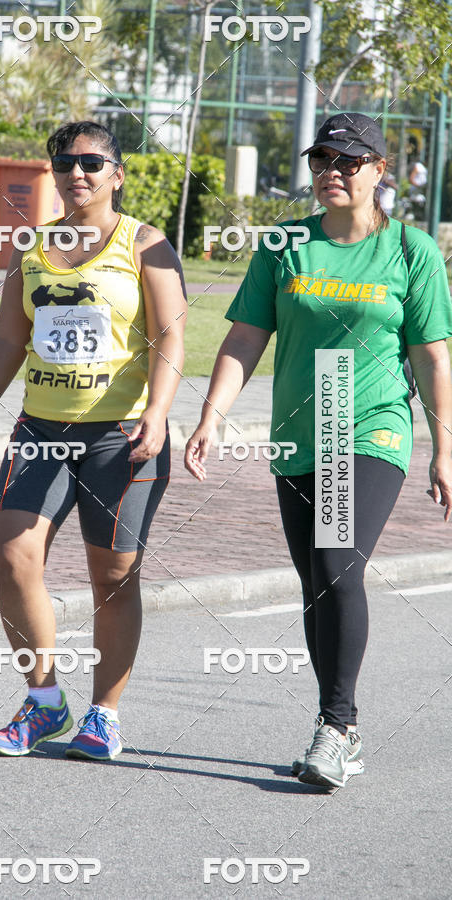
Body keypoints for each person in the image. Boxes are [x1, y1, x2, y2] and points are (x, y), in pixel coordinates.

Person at [185, 113, 452, 789]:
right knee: (316, 584)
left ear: (380, 170)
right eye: (322, 159)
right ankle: (342, 726)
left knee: (336, 560)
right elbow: (247, 337)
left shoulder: (411, 251)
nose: (333, 170)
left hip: (372, 427)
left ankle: (335, 729)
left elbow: (431, 356)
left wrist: (443, 449)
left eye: (349, 160)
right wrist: (211, 416)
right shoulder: (285, 245)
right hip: (300, 434)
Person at [0, 121, 187, 759]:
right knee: (14, 558)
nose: (78, 172)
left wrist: (158, 412)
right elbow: (7, 342)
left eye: (92, 162)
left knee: (114, 577)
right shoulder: (32, 248)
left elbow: (172, 337)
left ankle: (105, 714)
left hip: (119, 436)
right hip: (41, 428)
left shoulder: (145, 244)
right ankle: (44, 700)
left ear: (116, 174)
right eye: (65, 161)